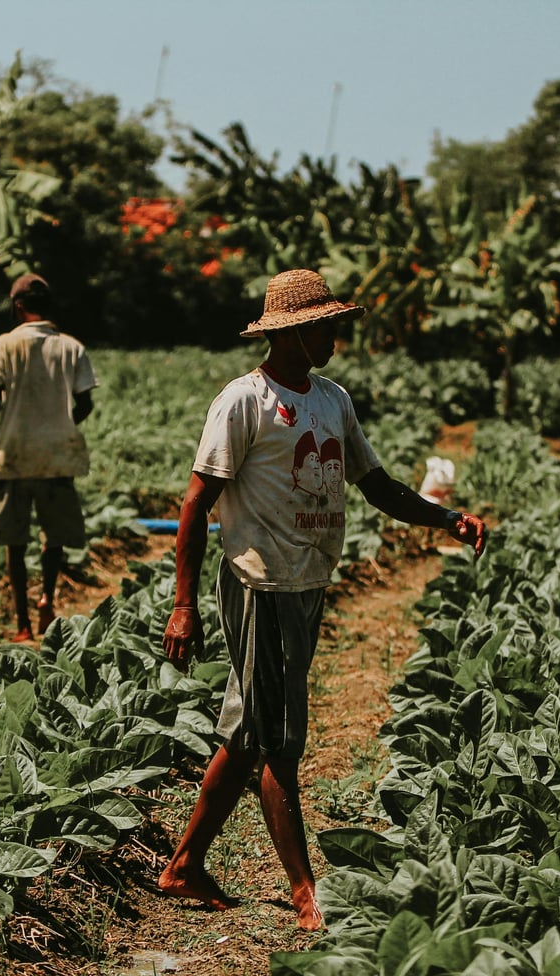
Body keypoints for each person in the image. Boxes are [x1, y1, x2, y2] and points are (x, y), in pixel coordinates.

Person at [158, 269, 488, 931]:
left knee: (247, 732)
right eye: (327, 326)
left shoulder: (332, 400)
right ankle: (306, 889)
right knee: (278, 741)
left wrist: (444, 520)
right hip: (258, 583)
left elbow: (377, 484)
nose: (336, 336)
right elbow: (196, 504)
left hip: (307, 583)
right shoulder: (243, 402)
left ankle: (185, 864)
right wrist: (184, 604)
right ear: (294, 331)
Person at [0, 273, 98, 642]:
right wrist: (61, 424)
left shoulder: (4, 346)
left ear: (18, 305)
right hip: (58, 456)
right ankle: (47, 598)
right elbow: (85, 401)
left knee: (15, 539)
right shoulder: (71, 347)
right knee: (53, 535)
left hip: (13, 454)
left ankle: (23, 623)